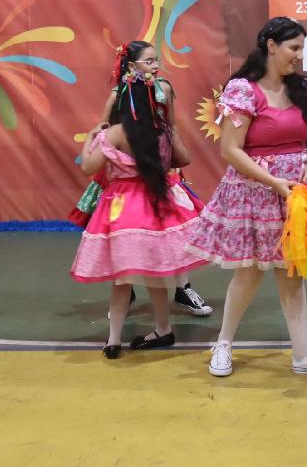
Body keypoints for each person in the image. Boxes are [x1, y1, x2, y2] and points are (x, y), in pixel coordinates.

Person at [187, 17, 307, 379]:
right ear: (271, 46)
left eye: (302, 48)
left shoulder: (304, 89)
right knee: (249, 274)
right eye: (294, 48)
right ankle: (223, 344)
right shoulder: (243, 90)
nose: (299, 55)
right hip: (254, 194)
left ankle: (302, 355)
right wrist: (274, 182)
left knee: (292, 274)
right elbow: (230, 149)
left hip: (295, 197)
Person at [70, 64, 207, 359]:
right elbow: (183, 159)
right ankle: (163, 329)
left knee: (123, 278)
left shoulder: (116, 133)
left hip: (123, 209)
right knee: (156, 274)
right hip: (157, 204)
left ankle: (113, 340)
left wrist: (91, 137)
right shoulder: (162, 130)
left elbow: (88, 166)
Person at [84, 41, 212, 317]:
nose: (156, 66)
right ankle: (125, 290)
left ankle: (183, 288)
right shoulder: (118, 94)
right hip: (126, 175)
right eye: (149, 61)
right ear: (132, 66)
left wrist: (170, 159)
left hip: (158, 168)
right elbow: (105, 130)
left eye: (157, 60)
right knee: (128, 234)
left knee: (172, 232)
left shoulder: (163, 89)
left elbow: (171, 126)